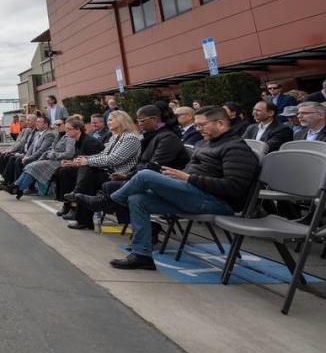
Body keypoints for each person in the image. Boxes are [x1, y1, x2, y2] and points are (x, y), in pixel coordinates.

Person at [107, 106, 258, 270]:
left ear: (220, 123)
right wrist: (175, 177)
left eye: (202, 125)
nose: (197, 129)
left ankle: (109, 201)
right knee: (137, 199)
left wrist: (188, 178)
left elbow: (234, 187)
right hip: (193, 194)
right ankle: (142, 255)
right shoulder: (204, 144)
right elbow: (190, 171)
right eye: (196, 125)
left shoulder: (236, 148)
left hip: (217, 202)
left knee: (145, 175)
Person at [54, 110, 140, 220]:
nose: (108, 122)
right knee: (74, 171)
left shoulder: (130, 138)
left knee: (87, 171)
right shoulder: (115, 137)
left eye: (110, 120)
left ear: (121, 121)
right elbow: (103, 154)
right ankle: (75, 206)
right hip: (107, 170)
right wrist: (85, 159)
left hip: (118, 174)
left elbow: (114, 159)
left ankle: (77, 202)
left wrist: (86, 161)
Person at [11, 119, 103, 199]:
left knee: (35, 166)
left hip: (59, 160)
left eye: (59, 125)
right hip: (57, 159)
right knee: (30, 165)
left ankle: (18, 187)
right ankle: (17, 187)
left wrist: (56, 156)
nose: (56, 126)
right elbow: (50, 149)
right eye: (55, 125)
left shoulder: (74, 138)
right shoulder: (60, 135)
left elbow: (70, 153)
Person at [0, 116, 54, 192]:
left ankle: (22, 187)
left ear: (46, 125)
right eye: (37, 122)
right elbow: (31, 147)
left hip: (40, 157)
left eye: (39, 122)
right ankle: (13, 184)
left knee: (18, 160)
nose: (37, 123)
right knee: (14, 158)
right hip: (31, 155)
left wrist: (28, 157)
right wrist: (26, 156)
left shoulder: (49, 134)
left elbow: (41, 150)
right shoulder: (38, 133)